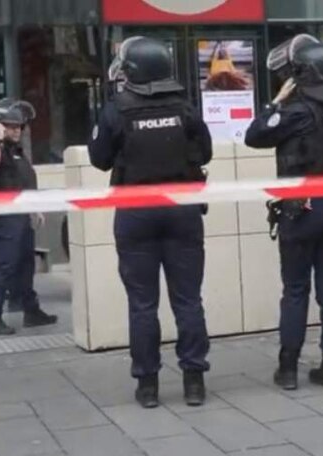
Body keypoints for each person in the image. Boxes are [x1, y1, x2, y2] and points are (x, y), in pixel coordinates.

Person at [87, 36, 213, 408]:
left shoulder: (117, 110)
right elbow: (205, 152)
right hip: (182, 211)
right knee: (188, 299)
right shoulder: (185, 107)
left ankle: (148, 385)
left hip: (136, 213)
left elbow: (99, 159)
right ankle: (194, 380)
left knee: (142, 303)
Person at [246, 36, 323, 391]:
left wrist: (276, 102)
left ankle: (288, 369)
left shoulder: (298, 112)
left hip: (303, 209)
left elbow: (255, 134)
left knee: (295, 290)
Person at [0, 98, 58, 336]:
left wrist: (34, 207)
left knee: (25, 265)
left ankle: (31, 310)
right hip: (3, 218)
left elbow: (24, 179)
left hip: (21, 216)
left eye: (19, 126)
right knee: (4, 267)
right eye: (11, 126)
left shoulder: (15, 151)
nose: (17, 130)